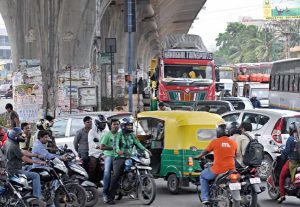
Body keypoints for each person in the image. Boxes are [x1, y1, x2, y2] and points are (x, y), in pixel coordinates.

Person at [107, 118, 150, 205]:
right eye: (128, 125)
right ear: (123, 126)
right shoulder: (118, 135)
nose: (130, 127)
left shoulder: (132, 135)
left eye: (131, 125)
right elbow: (115, 145)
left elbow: (138, 143)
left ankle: (140, 191)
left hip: (130, 156)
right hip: (120, 157)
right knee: (116, 176)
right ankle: (110, 198)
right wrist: (118, 151)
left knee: (139, 169)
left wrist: (145, 150)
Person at [194, 124, 237, 205]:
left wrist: (198, 157)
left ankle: (205, 198)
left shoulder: (215, 142)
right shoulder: (233, 143)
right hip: (231, 170)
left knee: (203, 176)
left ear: (219, 132)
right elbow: (235, 154)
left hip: (218, 170)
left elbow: (205, 152)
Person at [3, 127, 45, 199]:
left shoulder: (8, 142)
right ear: (15, 136)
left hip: (10, 168)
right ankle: (37, 197)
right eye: (20, 135)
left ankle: (30, 190)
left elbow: (22, 152)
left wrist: (36, 155)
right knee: (36, 175)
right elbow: (24, 158)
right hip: (15, 171)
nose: (22, 136)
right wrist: (38, 162)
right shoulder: (13, 146)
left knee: (30, 168)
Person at [278, 122, 300, 203]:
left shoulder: (290, 139)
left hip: (293, 162)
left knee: (282, 176)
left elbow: (286, 151)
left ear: (291, 130)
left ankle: (282, 195)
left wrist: (282, 154)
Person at [100, 118, 120, 203]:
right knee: (107, 173)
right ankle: (105, 194)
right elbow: (102, 147)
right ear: (111, 125)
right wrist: (112, 148)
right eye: (114, 124)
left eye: (117, 124)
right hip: (109, 155)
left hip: (118, 156)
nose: (116, 126)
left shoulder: (120, 135)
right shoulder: (107, 134)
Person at [88, 115, 109, 184]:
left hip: (104, 153)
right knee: (93, 167)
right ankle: (91, 183)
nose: (104, 124)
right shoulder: (92, 132)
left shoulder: (106, 131)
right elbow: (91, 142)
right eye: (102, 123)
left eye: (104, 123)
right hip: (94, 153)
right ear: (97, 123)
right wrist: (98, 147)